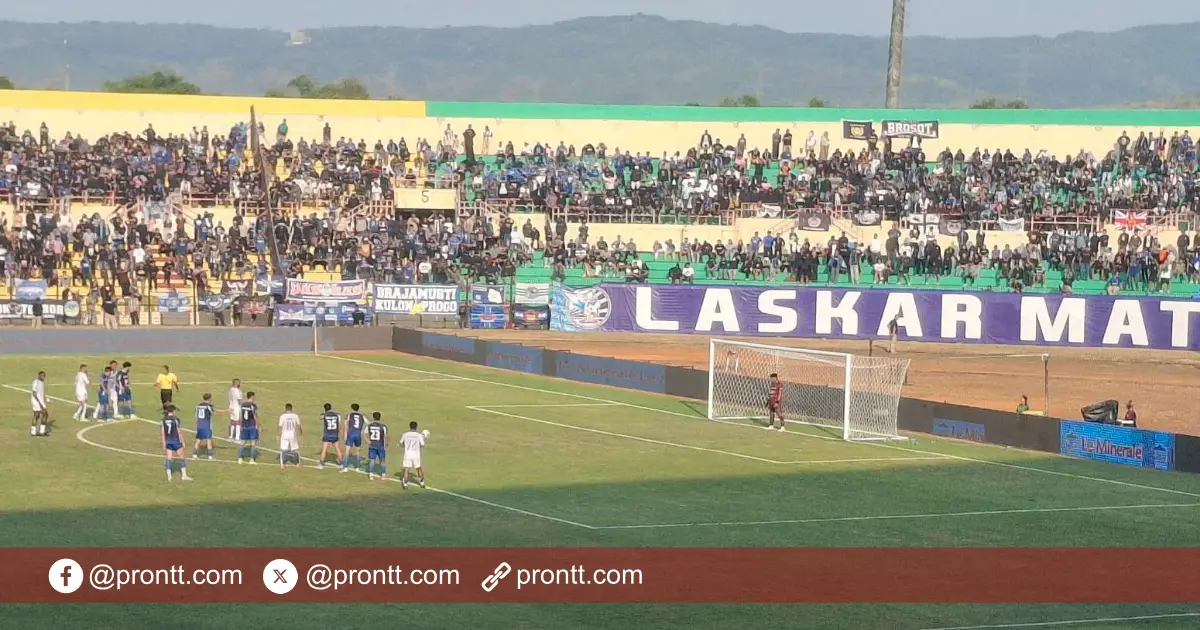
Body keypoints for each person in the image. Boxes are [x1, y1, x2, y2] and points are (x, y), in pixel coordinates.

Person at [161, 405, 192, 482]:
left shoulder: (163, 420)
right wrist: (183, 441)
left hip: (168, 441)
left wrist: (164, 442)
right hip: (176, 441)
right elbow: (179, 431)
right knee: (182, 457)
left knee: (169, 458)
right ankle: (184, 476)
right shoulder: (176, 419)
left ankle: (169, 476)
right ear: (173, 411)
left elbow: (162, 432)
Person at [400, 421, 427, 490]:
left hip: (407, 454)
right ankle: (422, 482)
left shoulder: (405, 434)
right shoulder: (419, 435)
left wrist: (405, 446)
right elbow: (422, 445)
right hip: (416, 454)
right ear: (416, 427)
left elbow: (401, 444)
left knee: (406, 469)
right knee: (418, 468)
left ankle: (405, 484)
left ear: (410, 426)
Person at [341, 403, 367, 473]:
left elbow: (346, 425)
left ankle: (345, 467)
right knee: (358, 451)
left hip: (351, 434)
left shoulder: (349, 415)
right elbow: (368, 423)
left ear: (352, 408)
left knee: (347, 451)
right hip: (358, 434)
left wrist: (345, 434)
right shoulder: (362, 416)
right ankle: (358, 467)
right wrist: (363, 431)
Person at [317, 403, 344, 470]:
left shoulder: (324, 415)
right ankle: (342, 464)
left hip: (327, 435)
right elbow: (340, 424)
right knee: (337, 449)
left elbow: (320, 417)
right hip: (335, 434)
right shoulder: (337, 415)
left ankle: (321, 464)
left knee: (324, 450)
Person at [278, 403, 302, 470]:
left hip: (284, 435)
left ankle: (282, 465)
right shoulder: (295, 416)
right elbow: (299, 426)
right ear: (291, 408)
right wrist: (300, 433)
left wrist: (278, 434)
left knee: (283, 450)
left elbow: (280, 426)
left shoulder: (282, 416)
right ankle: (297, 464)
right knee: (295, 449)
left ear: (285, 408)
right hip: (292, 435)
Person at [237, 392, 260, 465]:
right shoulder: (253, 405)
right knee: (253, 443)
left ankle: (240, 458)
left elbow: (240, 416)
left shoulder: (243, 405)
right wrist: (258, 425)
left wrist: (241, 425)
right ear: (252, 397)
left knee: (243, 442)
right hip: (252, 426)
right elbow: (255, 416)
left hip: (244, 425)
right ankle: (252, 460)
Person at [192, 393, 216, 460]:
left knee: (198, 440)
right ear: (209, 398)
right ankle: (210, 456)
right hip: (207, 425)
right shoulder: (209, 405)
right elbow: (215, 411)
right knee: (208, 440)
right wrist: (227, 410)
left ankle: (194, 454)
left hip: (199, 425)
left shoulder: (198, 405)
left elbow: (196, 415)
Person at [365, 412, 388, 481]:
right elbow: (385, 436)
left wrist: (367, 441)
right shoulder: (383, 426)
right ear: (380, 417)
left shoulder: (369, 426)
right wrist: (386, 444)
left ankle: (371, 474)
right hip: (380, 445)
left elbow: (364, 434)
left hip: (372, 445)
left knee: (372, 460)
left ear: (373, 417)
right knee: (382, 460)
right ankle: (383, 474)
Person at [31, 370, 48, 437]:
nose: (43, 377)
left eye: (44, 376)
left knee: (37, 415)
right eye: (42, 376)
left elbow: (41, 393)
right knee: (45, 415)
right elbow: (34, 393)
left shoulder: (41, 382)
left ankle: (33, 432)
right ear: (38, 376)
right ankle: (41, 432)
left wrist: (46, 399)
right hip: (37, 402)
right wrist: (40, 403)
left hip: (39, 401)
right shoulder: (36, 382)